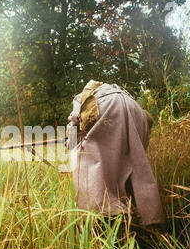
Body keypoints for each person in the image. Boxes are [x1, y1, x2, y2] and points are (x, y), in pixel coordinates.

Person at [65, 80, 165, 227]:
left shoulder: (83, 97)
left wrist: (70, 144)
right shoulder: (119, 93)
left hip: (108, 107)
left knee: (85, 160)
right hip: (135, 110)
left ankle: (105, 215)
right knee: (133, 161)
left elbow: (74, 121)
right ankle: (145, 215)